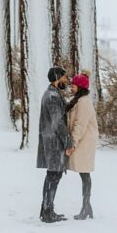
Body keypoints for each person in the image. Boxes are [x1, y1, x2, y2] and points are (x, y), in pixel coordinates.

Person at [36, 65, 74, 223]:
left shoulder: (53, 94)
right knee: (54, 175)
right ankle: (47, 211)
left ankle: (46, 209)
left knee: (52, 175)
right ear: (57, 78)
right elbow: (58, 122)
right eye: (64, 77)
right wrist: (67, 142)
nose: (66, 80)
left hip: (52, 140)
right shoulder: (52, 96)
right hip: (54, 142)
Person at [66, 71, 98, 220]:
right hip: (83, 140)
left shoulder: (84, 102)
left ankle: (86, 208)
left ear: (80, 87)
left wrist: (73, 142)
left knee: (85, 174)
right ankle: (87, 207)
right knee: (84, 174)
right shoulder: (79, 100)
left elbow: (80, 124)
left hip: (84, 141)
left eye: (73, 85)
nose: (70, 87)